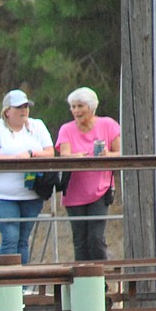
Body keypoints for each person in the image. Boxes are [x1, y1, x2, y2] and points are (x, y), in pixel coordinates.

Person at [0, 89, 55, 265]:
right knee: (10, 236)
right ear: (7, 111)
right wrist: (16, 159)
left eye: (26, 106)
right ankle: (4, 284)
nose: (24, 110)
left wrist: (31, 154)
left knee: (23, 239)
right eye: (19, 107)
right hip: (1, 195)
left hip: (31, 194)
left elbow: (50, 152)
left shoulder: (37, 126)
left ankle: (21, 284)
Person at [56, 87, 121, 261]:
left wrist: (108, 155)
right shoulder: (66, 129)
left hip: (100, 190)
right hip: (74, 193)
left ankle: (100, 281)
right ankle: (82, 282)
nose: (76, 111)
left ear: (91, 108)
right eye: (73, 107)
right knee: (80, 239)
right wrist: (76, 157)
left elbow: (122, 153)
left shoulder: (108, 124)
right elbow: (64, 154)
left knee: (96, 238)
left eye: (80, 106)